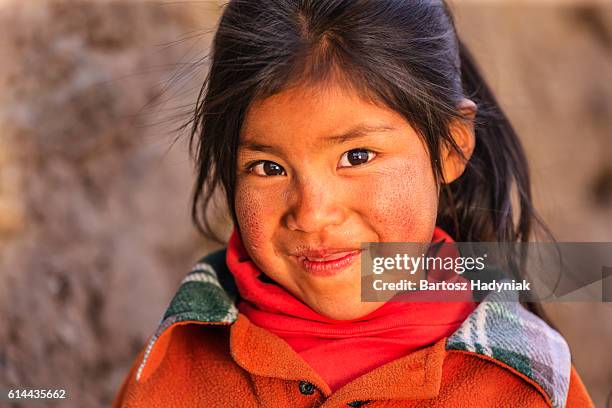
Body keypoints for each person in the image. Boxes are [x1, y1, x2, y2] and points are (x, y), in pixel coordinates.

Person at [112, 0, 594, 406]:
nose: (312, 213)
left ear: (450, 147)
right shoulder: (170, 372)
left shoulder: (526, 384)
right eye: (268, 167)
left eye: (356, 156)